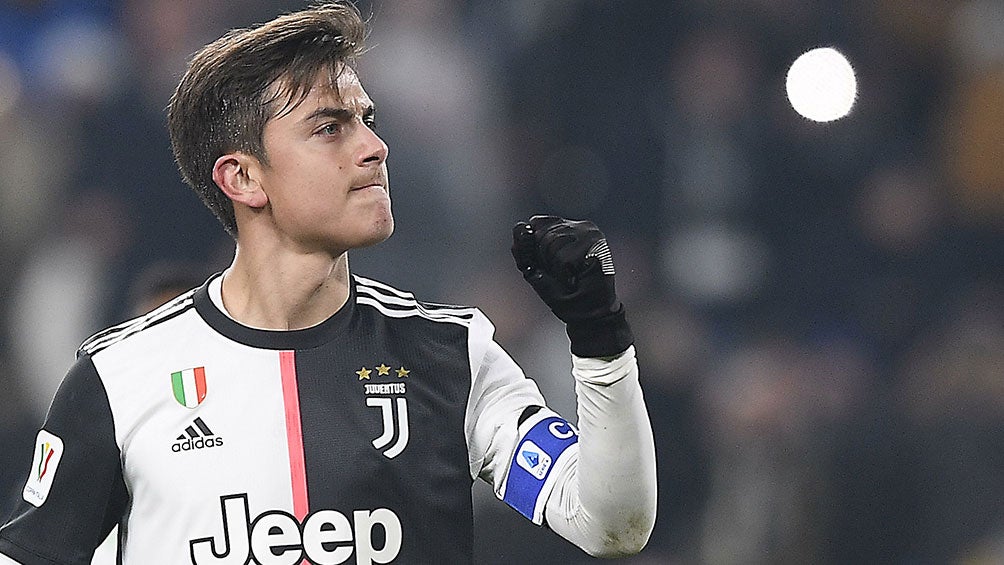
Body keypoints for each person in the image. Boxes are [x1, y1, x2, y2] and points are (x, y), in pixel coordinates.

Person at [0, 3, 656, 563]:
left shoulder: (450, 356)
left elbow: (609, 524)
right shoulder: (121, 377)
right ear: (242, 177)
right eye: (329, 127)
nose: (374, 147)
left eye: (367, 120)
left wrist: (600, 339)